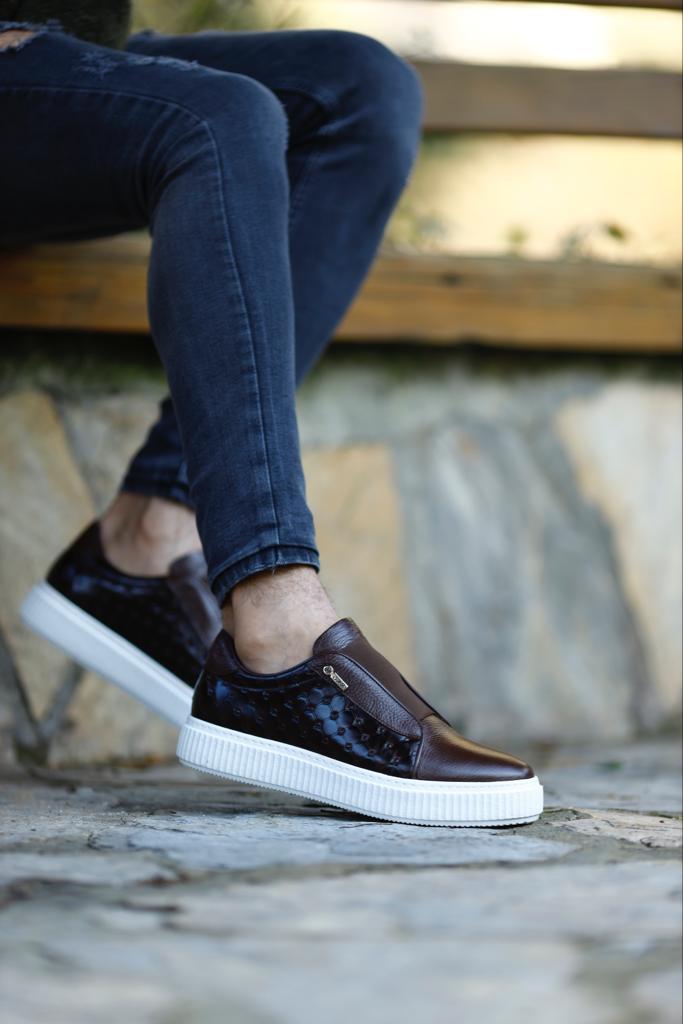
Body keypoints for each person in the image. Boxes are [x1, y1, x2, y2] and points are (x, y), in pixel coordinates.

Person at [1, 2, 543, 826]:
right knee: (216, 118)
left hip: (64, 45)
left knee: (361, 90)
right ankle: (277, 619)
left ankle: (151, 531)